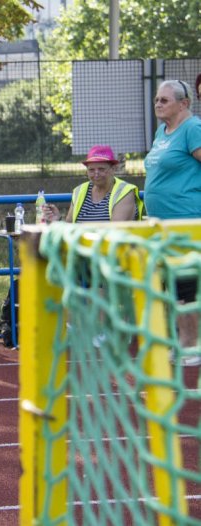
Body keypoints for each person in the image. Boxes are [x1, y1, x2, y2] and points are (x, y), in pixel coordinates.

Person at [144, 80, 201, 367]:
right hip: (161, 225)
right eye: (157, 99)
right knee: (173, 286)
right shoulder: (161, 132)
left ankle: (192, 345)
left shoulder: (192, 129)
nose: (158, 104)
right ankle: (183, 341)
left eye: (164, 100)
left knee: (185, 286)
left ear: (184, 103)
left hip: (187, 222)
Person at [42, 144, 142, 223]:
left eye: (101, 169)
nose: (96, 174)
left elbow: (115, 231)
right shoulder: (79, 190)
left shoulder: (124, 191)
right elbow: (69, 226)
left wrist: (79, 231)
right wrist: (58, 219)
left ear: (113, 169)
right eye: (91, 170)